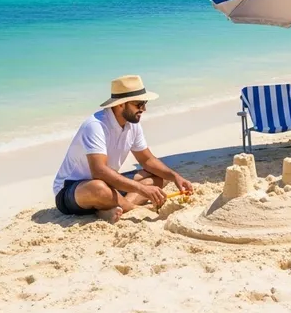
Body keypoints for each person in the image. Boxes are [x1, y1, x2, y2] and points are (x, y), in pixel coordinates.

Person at [53, 75, 194, 224]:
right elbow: (99, 171)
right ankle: (131, 207)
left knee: (158, 177)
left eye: (144, 103)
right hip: (72, 190)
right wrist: (142, 190)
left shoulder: (132, 124)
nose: (144, 109)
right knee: (99, 188)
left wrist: (176, 177)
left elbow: (147, 160)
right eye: (139, 104)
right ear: (121, 104)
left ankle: (110, 208)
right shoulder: (96, 125)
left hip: (107, 183)